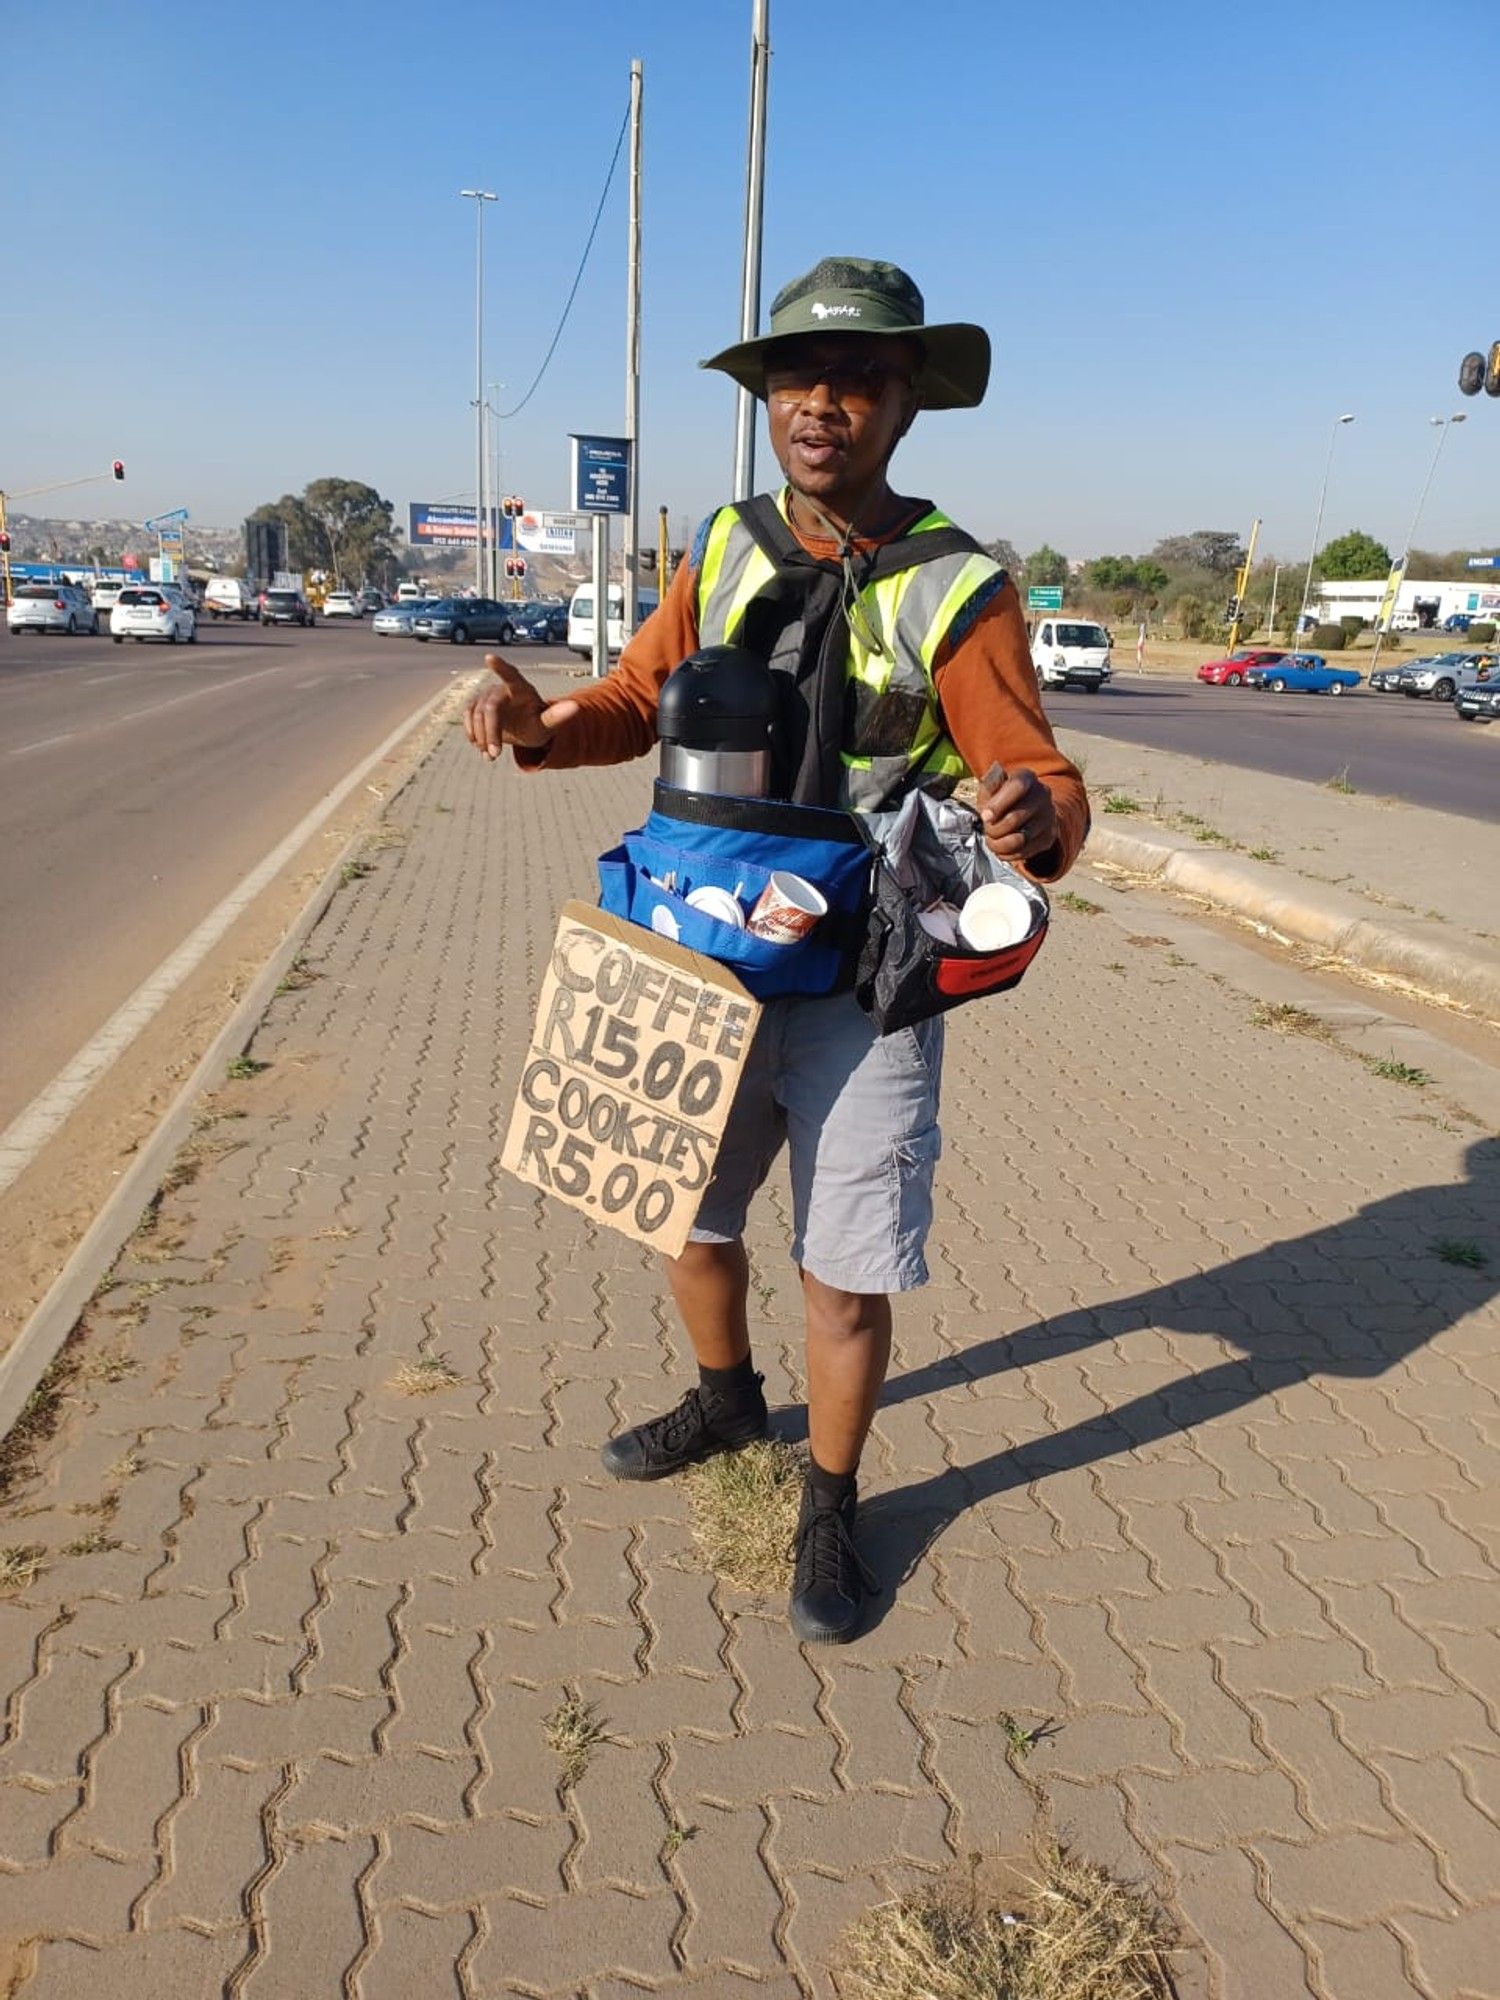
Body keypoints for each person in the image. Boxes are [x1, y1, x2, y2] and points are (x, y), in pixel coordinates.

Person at [466, 257, 1088, 1644]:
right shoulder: (730, 547)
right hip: (697, 949)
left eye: (858, 378)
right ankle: (727, 1395)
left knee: (844, 1265)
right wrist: (540, 728)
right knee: (681, 1213)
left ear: (904, 403)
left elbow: (1034, 769)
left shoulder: (959, 587)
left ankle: (829, 1495)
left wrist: (1034, 809)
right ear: (769, 402)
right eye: (798, 377)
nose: (823, 402)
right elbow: (635, 696)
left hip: (862, 981)